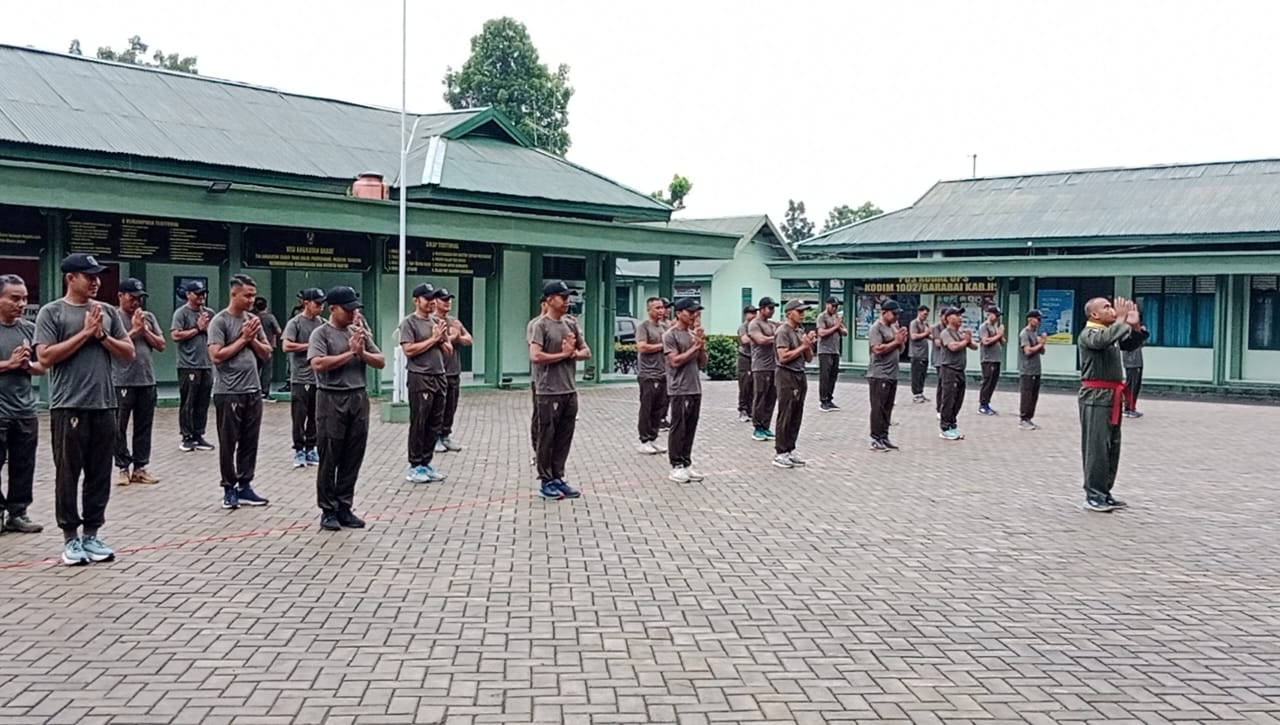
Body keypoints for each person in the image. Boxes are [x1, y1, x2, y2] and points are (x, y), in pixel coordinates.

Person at [35, 253, 134, 565]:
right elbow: (47, 357)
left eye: (97, 276)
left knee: (99, 473)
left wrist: (102, 335)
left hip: (104, 404)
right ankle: (70, 539)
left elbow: (128, 353)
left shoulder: (106, 312)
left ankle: (92, 534)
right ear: (70, 278)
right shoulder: (52, 313)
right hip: (69, 405)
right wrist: (84, 334)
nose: (95, 281)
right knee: (68, 473)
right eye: (88, 276)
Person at [308, 286, 385, 530]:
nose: (353, 313)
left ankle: (345, 506)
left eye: (355, 309)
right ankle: (328, 509)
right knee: (330, 455)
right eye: (348, 309)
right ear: (334, 309)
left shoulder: (359, 332)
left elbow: (380, 361)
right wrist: (350, 353)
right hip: (331, 398)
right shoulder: (321, 334)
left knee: (353, 455)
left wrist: (361, 352)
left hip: (357, 397)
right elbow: (318, 364)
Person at [207, 273, 273, 510]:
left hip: (253, 390)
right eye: (247, 295)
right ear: (234, 294)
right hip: (229, 392)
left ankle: (245, 485)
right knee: (228, 442)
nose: (251, 300)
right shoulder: (220, 321)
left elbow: (267, 352)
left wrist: (252, 339)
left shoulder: (253, 320)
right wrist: (243, 338)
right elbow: (216, 355)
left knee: (250, 441)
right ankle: (229, 487)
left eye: (254, 295)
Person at [1079, 296, 1144, 512]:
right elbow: (1102, 341)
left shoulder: (1110, 333)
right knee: (1096, 447)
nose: (1112, 310)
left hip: (1112, 396)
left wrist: (1133, 327)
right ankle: (1093, 494)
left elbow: (1130, 344)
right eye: (1106, 307)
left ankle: (1105, 491)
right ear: (1094, 315)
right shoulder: (1090, 333)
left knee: (1111, 447)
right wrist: (1122, 320)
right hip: (1095, 396)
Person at [529, 280, 591, 500]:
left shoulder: (571, 324)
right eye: (562, 297)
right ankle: (545, 480)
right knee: (547, 436)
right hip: (548, 391)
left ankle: (558, 476)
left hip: (569, 389)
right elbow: (535, 356)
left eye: (568, 297)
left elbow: (586, 351)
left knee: (564, 437)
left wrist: (572, 354)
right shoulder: (540, 325)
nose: (567, 301)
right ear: (549, 300)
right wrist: (563, 355)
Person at [0, 274, 46, 534]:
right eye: (14, 298)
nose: (21, 304)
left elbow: (43, 366)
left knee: (23, 464)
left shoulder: (29, 329)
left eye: (24, 298)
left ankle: (18, 513)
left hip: (25, 410)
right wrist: (10, 364)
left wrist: (28, 365)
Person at [112, 278, 165, 486]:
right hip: (121, 380)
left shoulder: (147, 317)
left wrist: (145, 330)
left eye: (139, 298)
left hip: (146, 380)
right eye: (132, 297)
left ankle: (140, 467)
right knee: (118, 427)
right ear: (120, 296)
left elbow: (161, 344)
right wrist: (134, 330)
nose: (136, 302)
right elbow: (112, 344)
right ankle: (122, 467)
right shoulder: (113, 317)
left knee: (144, 426)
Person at [399, 283, 451, 484]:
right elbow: (409, 350)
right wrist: (433, 339)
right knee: (419, 422)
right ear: (416, 300)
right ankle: (415, 465)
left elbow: (448, 349)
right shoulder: (409, 323)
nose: (431, 302)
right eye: (427, 299)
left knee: (434, 423)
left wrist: (441, 338)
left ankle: (427, 462)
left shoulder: (437, 321)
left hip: (439, 375)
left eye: (433, 299)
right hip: (420, 377)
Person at [664, 298, 708, 483]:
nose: (694, 316)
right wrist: (694, 348)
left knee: (690, 427)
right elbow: (674, 361)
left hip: (694, 387)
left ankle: (686, 462)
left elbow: (703, 363)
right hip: (679, 388)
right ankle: (676, 465)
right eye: (690, 312)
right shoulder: (670, 335)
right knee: (678, 427)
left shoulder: (693, 335)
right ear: (679, 313)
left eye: (696, 312)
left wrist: (701, 346)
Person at [281, 288, 326, 467]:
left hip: (319, 378)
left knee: (316, 416)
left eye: (323, 304)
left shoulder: (323, 324)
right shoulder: (295, 323)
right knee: (299, 417)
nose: (321, 307)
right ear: (306, 303)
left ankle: (311, 448)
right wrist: (309, 346)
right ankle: (299, 450)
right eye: (317, 304)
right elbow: (286, 345)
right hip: (301, 378)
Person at [171, 280, 215, 452]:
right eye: (197, 293)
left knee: (203, 401)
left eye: (203, 293)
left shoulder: (209, 313)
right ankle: (186, 436)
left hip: (206, 364)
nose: (202, 296)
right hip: (188, 364)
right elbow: (175, 335)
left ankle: (199, 434)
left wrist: (207, 327)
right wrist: (197, 328)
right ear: (189, 294)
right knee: (188, 401)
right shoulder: (181, 313)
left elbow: (215, 332)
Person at [772, 299, 816, 469]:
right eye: (799, 311)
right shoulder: (783, 331)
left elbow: (809, 358)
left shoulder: (799, 331)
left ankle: (790, 448)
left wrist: (808, 345)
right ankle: (780, 452)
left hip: (800, 374)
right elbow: (783, 357)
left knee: (797, 413)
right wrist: (802, 346)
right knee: (786, 413)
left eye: (804, 311)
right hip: (786, 375)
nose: (803, 315)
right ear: (789, 313)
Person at [867, 299, 908, 451]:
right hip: (879, 374)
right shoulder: (876, 328)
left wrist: (902, 340)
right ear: (884, 312)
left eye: (898, 314)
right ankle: (875, 438)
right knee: (878, 408)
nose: (897, 317)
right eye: (894, 313)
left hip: (892, 374)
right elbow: (877, 349)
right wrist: (895, 341)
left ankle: (884, 436)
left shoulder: (894, 327)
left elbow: (900, 349)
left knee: (887, 407)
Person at [435, 288, 471, 452]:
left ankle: (445, 435)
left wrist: (457, 336)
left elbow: (468, 339)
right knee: (437, 407)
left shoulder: (454, 321)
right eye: (444, 299)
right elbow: (436, 341)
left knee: (451, 406)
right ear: (435, 301)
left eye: (449, 299)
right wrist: (453, 337)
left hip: (454, 370)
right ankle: (434, 437)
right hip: (438, 371)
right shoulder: (433, 321)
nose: (448, 302)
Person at [634, 297, 669, 455]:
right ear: (649, 310)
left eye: (662, 308)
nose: (661, 311)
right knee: (647, 407)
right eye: (657, 308)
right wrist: (662, 346)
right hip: (648, 374)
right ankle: (644, 439)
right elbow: (641, 346)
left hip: (663, 373)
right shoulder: (643, 326)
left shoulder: (664, 326)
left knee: (659, 408)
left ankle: (653, 438)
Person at [937, 307, 978, 440]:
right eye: (957, 315)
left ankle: (952, 425)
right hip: (949, 369)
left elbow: (974, 346)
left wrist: (968, 339)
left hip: (960, 370)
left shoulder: (960, 333)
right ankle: (944, 427)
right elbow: (953, 347)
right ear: (949, 318)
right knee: (948, 399)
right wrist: (965, 341)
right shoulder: (946, 333)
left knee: (958, 399)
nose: (960, 318)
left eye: (961, 315)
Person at [748, 297, 780, 442]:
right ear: (761, 309)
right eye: (770, 308)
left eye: (773, 308)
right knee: (760, 397)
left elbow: (784, 325)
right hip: (761, 367)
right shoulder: (754, 324)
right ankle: (757, 427)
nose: (772, 311)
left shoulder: (771, 324)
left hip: (774, 366)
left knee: (771, 398)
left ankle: (765, 425)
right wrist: (778, 337)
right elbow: (760, 340)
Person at [815, 296, 848, 412]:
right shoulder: (822, 317)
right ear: (827, 304)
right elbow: (821, 333)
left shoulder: (836, 317)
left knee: (833, 376)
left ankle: (829, 399)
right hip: (825, 351)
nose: (834, 308)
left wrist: (839, 327)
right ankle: (823, 400)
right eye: (832, 305)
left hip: (835, 350)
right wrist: (835, 327)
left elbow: (845, 332)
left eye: (836, 306)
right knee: (825, 376)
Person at [1018, 310, 1048, 431]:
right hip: (1027, 370)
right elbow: (1028, 351)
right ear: (1030, 319)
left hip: (1036, 369)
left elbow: (1042, 351)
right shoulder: (1024, 333)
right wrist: (1040, 344)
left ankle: (1029, 418)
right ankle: (1023, 419)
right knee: (1027, 395)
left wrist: (1042, 344)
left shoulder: (1035, 333)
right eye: (1038, 319)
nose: (1040, 322)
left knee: (1034, 395)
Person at [527, 300, 547, 465]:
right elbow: (536, 352)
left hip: (561, 382)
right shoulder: (535, 325)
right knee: (539, 417)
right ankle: (537, 451)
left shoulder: (568, 323)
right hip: (540, 379)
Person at [252, 296, 282, 403]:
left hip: (254, 347)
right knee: (266, 371)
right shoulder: (270, 317)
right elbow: (278, 331)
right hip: (267, 348)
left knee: (255, 370)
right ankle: (265, 392)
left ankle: (254, 391)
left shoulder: (252, 317)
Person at [977, 306, 1006, 415]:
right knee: (987, 382)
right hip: (988, 359)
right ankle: (982, 404)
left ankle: (987, 403)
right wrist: (998, 335)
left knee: (993, 382)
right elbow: (985, 341)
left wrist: (1001, 334)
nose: (998, 318)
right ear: (990, 314)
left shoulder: (995, 326)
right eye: (996, 315)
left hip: (996, 358)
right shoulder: (984, 326)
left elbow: (1003, 342)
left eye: (999, 316)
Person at [1123, 311, 1150, 418]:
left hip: (1137, 361)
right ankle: (1128, 408)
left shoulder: (1136, 330)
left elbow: (1143, 343)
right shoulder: (1126, 330)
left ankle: (1132, 407)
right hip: (1131, 362)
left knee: (1136, 386)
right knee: (1132, 386)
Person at [735, 305, 757, 423]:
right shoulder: (743, 327)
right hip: (745, 358)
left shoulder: (756, 325)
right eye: (750, 313)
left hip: (755, 358)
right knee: (744, 384)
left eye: (755, 312)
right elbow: (744, 340)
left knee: (754, 386)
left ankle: (750, 410)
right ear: (746, 314)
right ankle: (743, 409)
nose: (753, 315)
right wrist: (756, 337)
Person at [908, 305, 932, 404]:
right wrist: (926, 334)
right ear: (919, 312)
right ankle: (916, 394)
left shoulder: (925, 324)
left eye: (927, 314)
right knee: (916, 375)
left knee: (922, 374)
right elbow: (913, 336)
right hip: (916, 354)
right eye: (924, 314)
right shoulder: (914, 323)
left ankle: (920, 392)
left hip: (924, 354)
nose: (925, 316)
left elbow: (929, 335)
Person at [931, 307, 947, 417]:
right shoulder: (937, 327)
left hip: (949, 360)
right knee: (941, 384)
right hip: (939, 359)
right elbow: (937, 343)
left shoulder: (951, 328)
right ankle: (939, 408)